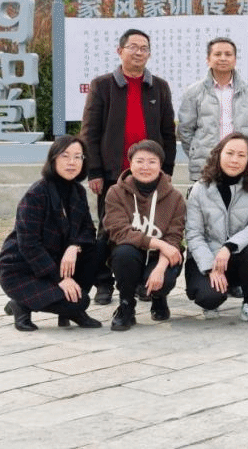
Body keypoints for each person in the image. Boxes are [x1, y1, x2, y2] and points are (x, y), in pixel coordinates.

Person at [81, 28, 176, 306]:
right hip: (113, 174)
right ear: (119, 51)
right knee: (108, 230)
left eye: (144, 48)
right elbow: (90, 132)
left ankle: (136, 281)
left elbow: (168, 132)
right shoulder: (102, 85)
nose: (138, 52)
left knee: (149, 228)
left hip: (149, 174)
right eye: (132, 47)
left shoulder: (159, 87)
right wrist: (94, 171)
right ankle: (103, 283)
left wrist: (167, 169)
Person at [0, 135, 102, 331]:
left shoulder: (78, 191)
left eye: (78, 157)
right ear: (53, 159)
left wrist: (74, 247)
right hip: (23, 269)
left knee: (96, 248)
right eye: (65, 156)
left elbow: (88, 230)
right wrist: (62, 279)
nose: (72, 162)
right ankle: (20, 304)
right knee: (81, 301)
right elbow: (29, 245)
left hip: (57, 261)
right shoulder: (37, 194)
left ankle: (72, 306)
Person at [184, 133, 248, 325]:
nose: (234, 160)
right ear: (218, 154)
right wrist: (210, 268)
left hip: (236, 254)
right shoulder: (200, 189)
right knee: (209, 298)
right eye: (229, 153)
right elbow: (194, 234)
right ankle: (214, 290)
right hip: (207, 256)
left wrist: (229, 247)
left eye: (241, 155)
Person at [103, 140, 186, 331]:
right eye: (139, 161)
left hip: (159, 257)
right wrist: (159, 243)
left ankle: (158, 297)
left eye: (152, 161)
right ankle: (126, 305)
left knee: (165, 274)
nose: (145, 167)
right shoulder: (115, 192)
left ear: (160, 165)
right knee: (123, 253)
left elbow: (173, 238)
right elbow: (119, 231)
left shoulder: (175, 197)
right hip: (132, 252)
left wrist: (160, 267)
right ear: (130, 164)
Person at [178, 36, 248, 183]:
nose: (223, 58)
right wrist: (196, 151)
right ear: (208, 59)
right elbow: (185, 130)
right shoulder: (193, 92)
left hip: (242, 163)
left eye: (228, 54)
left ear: (235, 60)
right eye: (217, 54)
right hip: (206, 163)